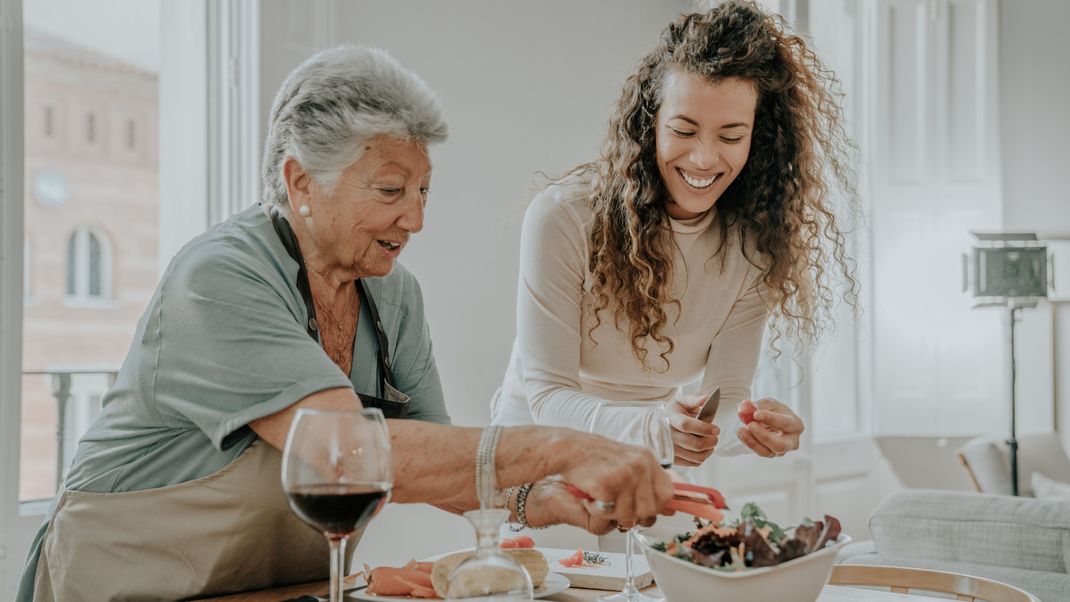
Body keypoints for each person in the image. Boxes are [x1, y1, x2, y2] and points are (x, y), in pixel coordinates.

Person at [17, 46, 674, 602]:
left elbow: (442, 458)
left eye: (423, 192)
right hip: (121, 587)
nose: (414, 219)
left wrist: (543, 496)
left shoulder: (393, 298)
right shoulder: (216, 279)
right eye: (390, 192)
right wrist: (563, 445)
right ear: (300, 180)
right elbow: (347, 451)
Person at [491, 1, 856, 466]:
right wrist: (656, 427)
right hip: (536, 453)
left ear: (757, 140)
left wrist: (748, 428)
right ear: (650, 125)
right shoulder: (565, 217)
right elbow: (549, 398)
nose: (704, 159)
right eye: (684, 130)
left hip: (649, 454)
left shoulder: (756, 246)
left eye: (730, 136)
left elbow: (724, 399)